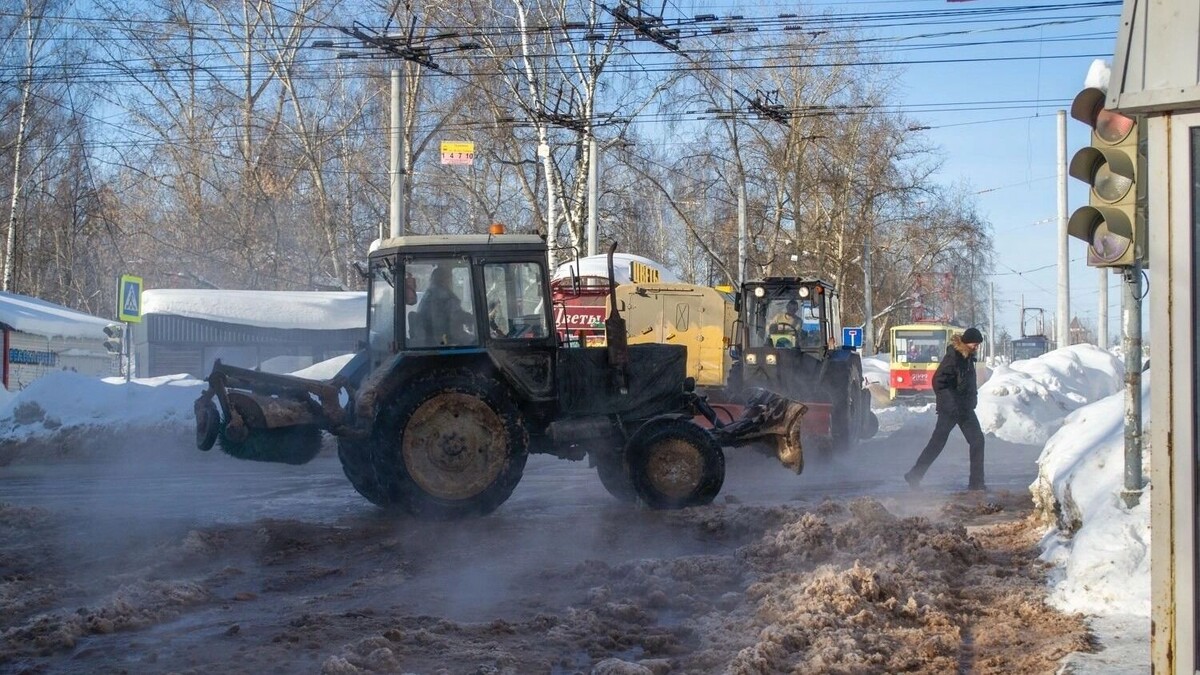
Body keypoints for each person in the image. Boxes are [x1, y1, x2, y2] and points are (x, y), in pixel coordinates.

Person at [904, 327, 986, 491]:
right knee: (937, 443)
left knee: (977, 441)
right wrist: (952, 404)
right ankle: (914, 475)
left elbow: (968, 383)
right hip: (951, 409)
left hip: (965, 409)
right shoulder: (953, 357)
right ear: (965, 342)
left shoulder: (968, 358)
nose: (976, 347)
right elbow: (938, 382)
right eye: (974, 344)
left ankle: (976, 483)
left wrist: (973, 399)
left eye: (978, 345)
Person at [415, 265, 474, 346]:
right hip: (444, 337)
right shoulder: (443, 295)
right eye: (449, 278)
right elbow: (455, 315)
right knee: (474, 341)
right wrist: (470, 318)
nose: (449, 281)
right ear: (443, 279)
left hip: (432, 338)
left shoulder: (429, 294)